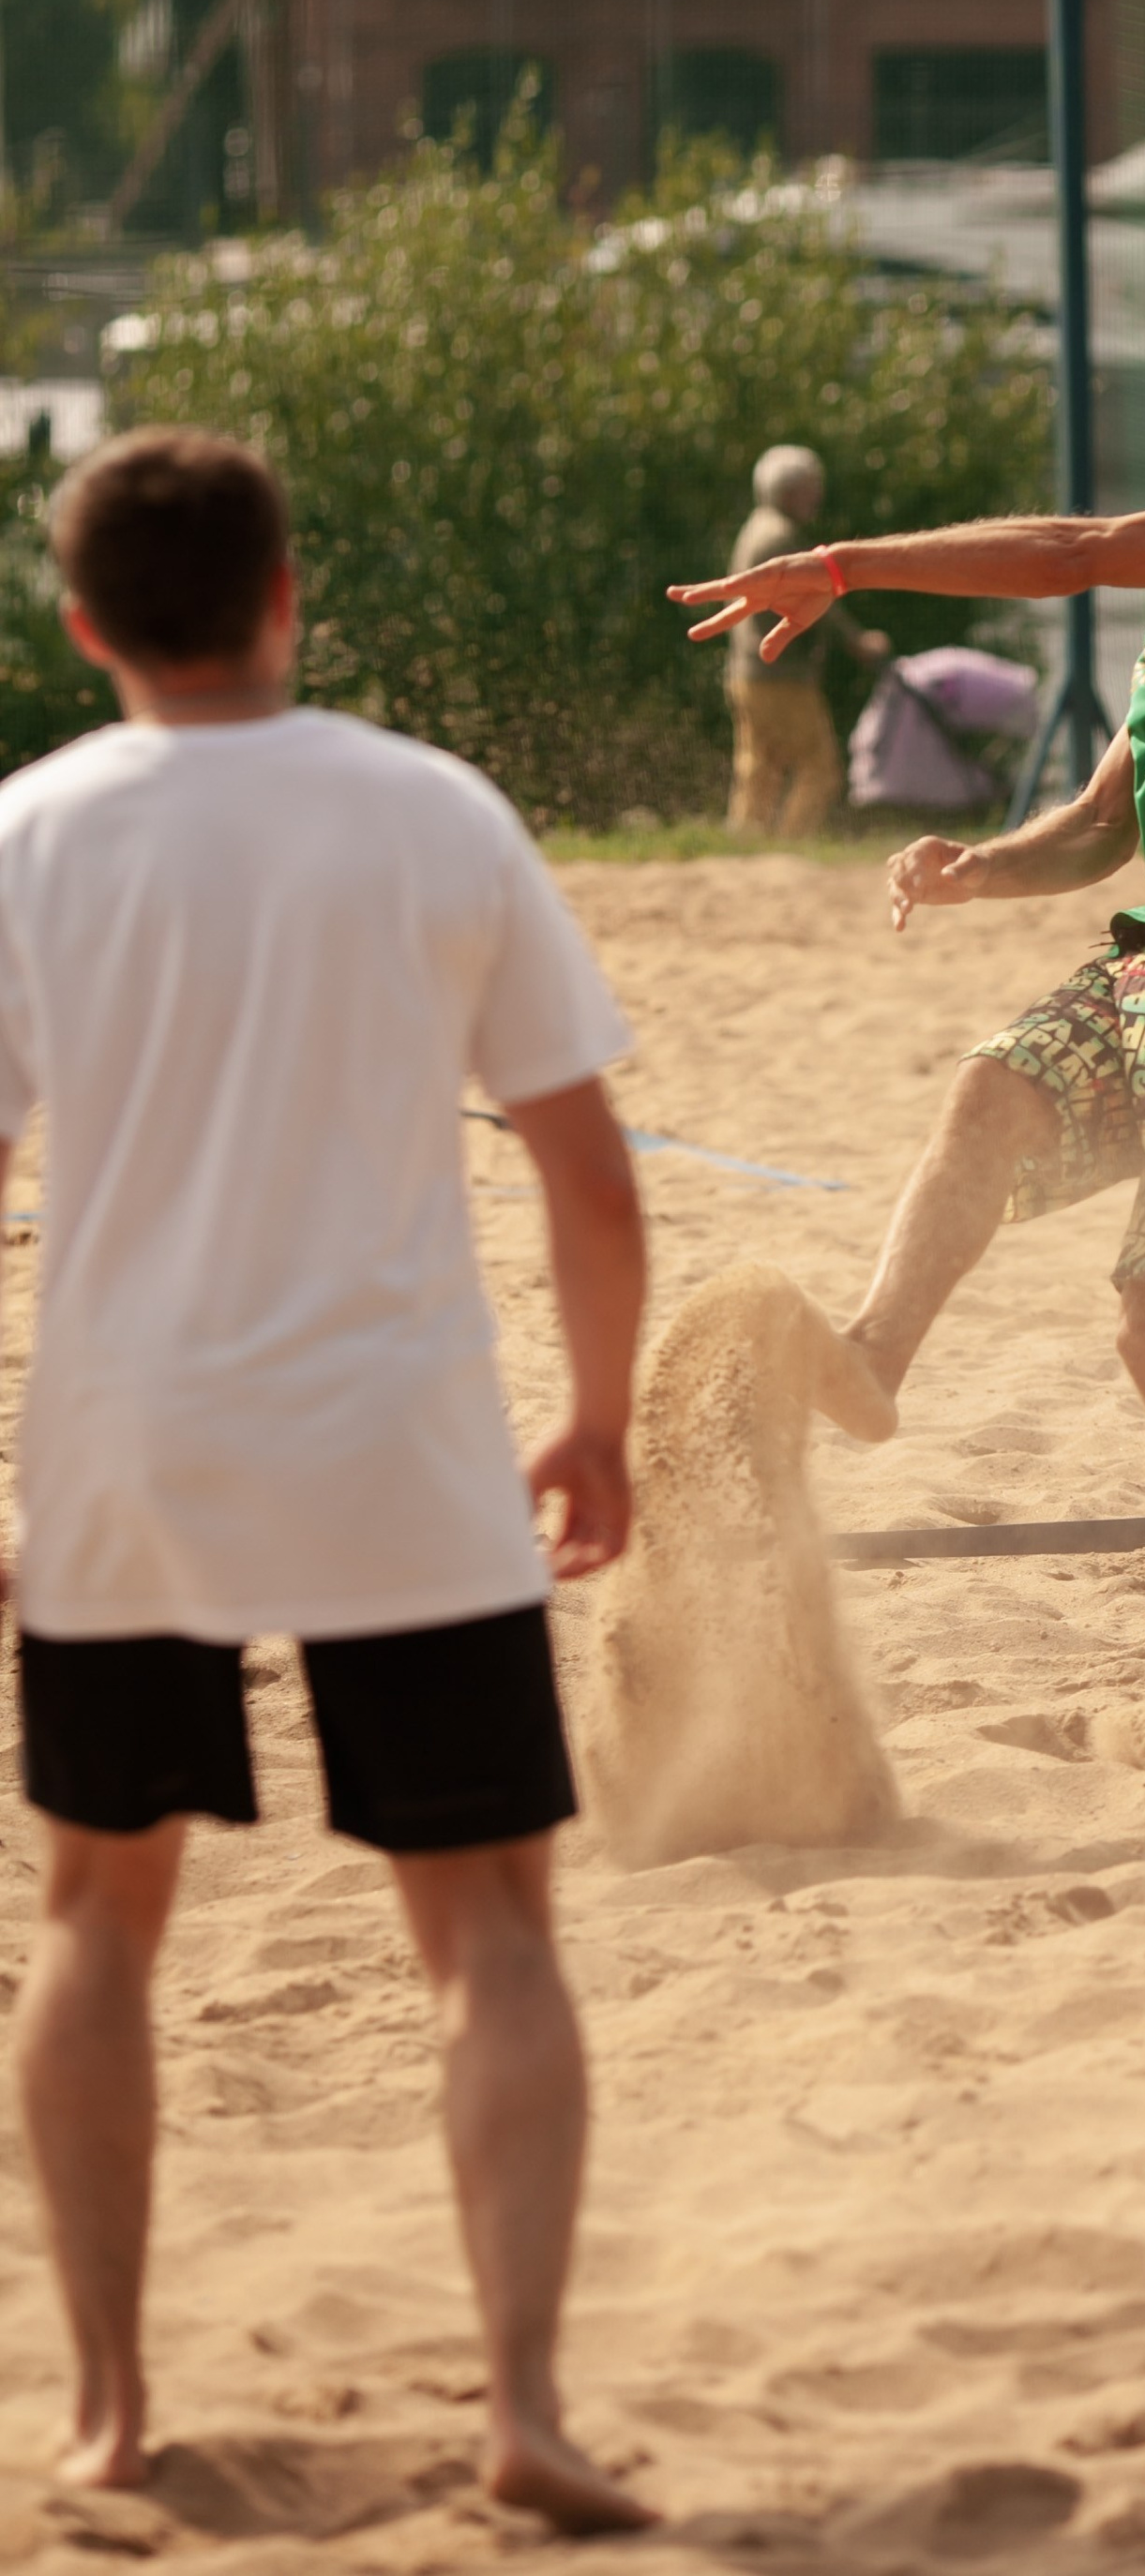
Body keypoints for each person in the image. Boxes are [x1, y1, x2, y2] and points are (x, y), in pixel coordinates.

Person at [4, 427, 652, 2528]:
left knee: (99, 1917)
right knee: (494, 1940)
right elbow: (587, 1175)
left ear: (85, 623)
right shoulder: (429, 808)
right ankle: (530, 2414)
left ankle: (104, 2413)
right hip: (397, 1445)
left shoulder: (29, 834)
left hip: (131, 1452)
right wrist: (601, 1412)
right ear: (289, 597)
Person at [670, 303, 1145, 1759]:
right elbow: (1096, 828)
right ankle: (876, 1357)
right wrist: (978, 868)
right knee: (991, 1093)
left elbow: (1076, 550)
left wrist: (838, 565)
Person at [723, 444, 889, 836]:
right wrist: (860, 641)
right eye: (810, 487)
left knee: (758, 767)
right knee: (820, 768)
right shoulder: (781, 537)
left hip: (746, 671)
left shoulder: (757, 526)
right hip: (781, 673)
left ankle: (746, 843)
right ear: (787, 491)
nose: (817, 496)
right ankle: (792, 842)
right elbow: (818, 603)